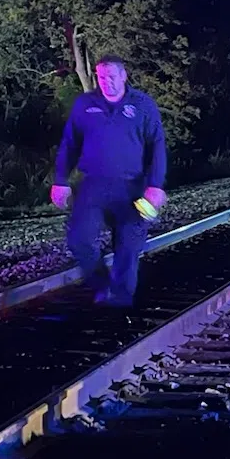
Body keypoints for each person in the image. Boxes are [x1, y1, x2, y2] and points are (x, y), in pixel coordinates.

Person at [51, 54, 168, 306]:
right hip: (93, 185)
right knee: (79, 239)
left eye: (112, 76)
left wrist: (155, 185)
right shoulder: (85, 104)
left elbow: (156, 146)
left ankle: (121, 301)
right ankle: (102, 285)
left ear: (124, 76)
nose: (107, 82)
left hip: (133, 187)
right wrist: (60, 180)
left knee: (128, 244)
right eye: (102, 77)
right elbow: (69, 143)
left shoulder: (142, 105)